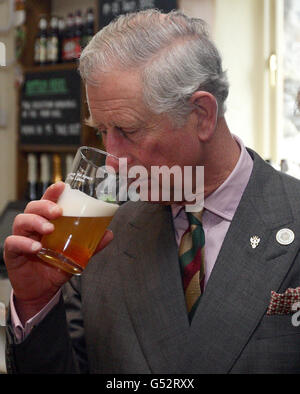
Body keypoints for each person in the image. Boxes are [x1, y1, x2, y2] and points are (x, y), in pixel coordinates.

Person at [4, 9, 300, 374]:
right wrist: (36, 303)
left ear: (202, 114)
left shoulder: (293, 217)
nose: (111, 161)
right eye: (101, 132)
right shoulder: (101, 242)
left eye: (127, 131)